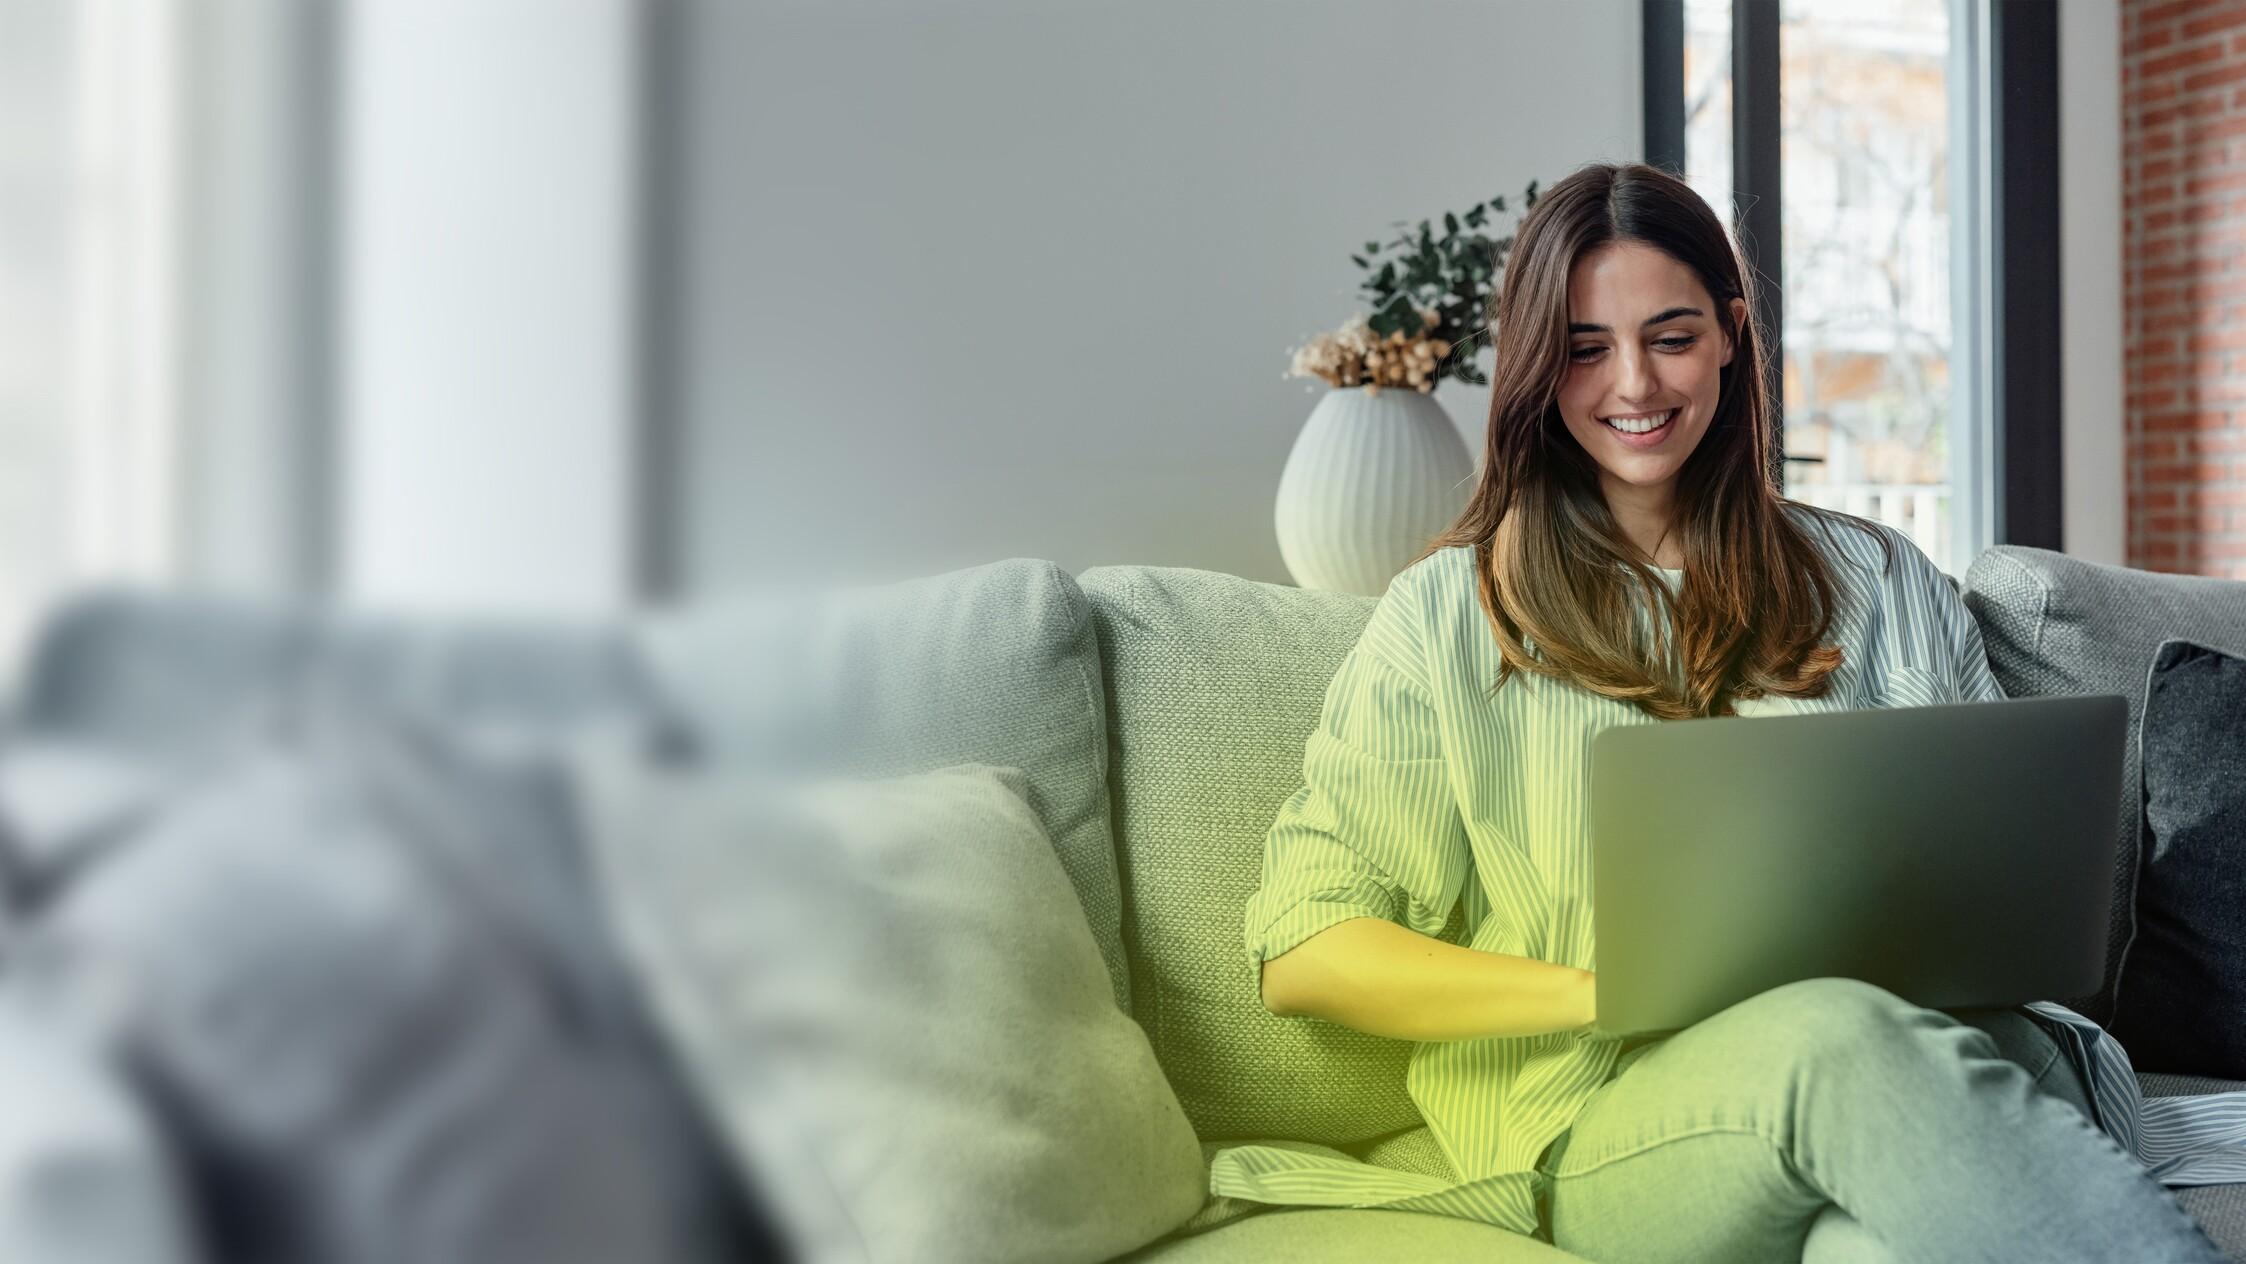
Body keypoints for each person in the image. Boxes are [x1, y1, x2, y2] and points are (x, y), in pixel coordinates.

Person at [1221, 160, 2227, 1262]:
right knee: (1831, 1034)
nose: (1634, 385)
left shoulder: (1880, 576)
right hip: (1616, 1115)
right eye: (1583, 346)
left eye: (1670, 334)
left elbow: (2005, 880)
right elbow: (1308, 949)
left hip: (1948, 1051)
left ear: (1730, 334)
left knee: (1868, 1233)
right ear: (1532, 365)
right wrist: (1605, 990)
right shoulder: (1446, 617)